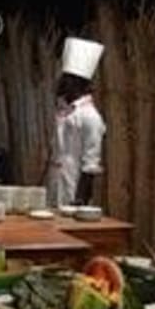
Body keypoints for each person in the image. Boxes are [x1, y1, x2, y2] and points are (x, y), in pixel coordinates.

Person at [47, 37, 107, 207]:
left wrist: (79, 201)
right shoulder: (65, 110)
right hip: (55, 185)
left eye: (66, 79)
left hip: (73, 189)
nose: (61, 83)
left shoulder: (90, 117)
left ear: (78, 83)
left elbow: (90, 165)